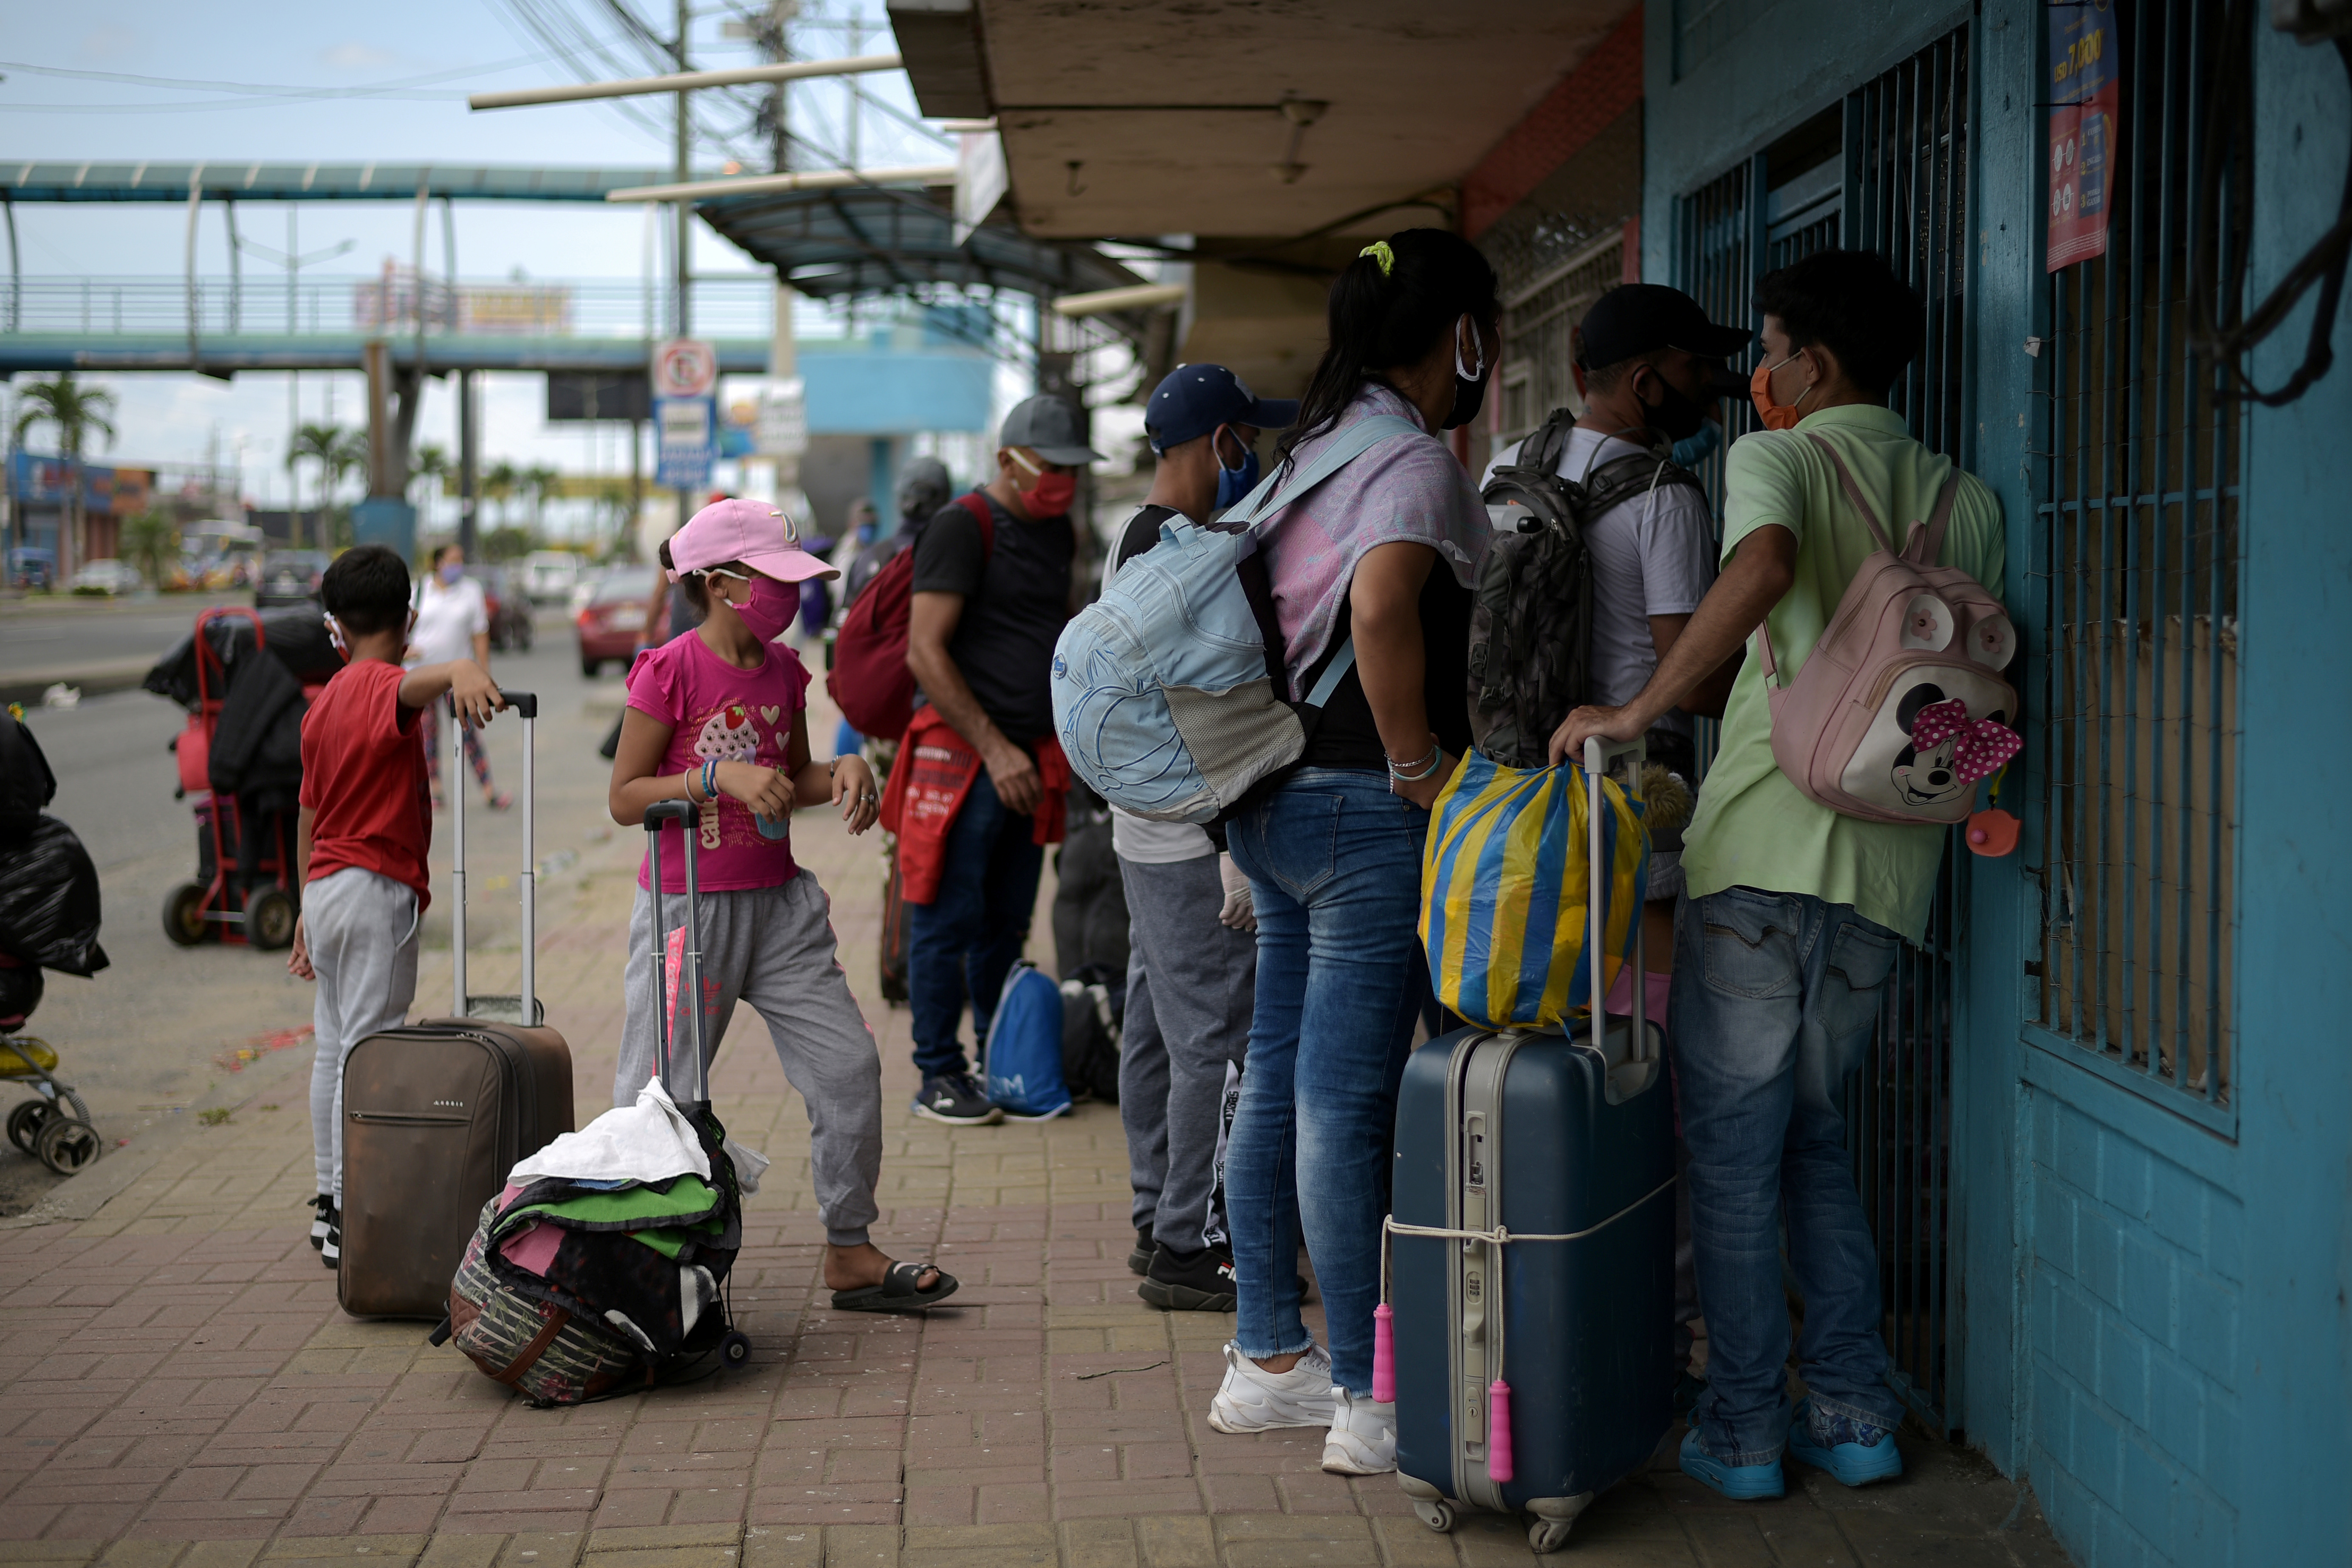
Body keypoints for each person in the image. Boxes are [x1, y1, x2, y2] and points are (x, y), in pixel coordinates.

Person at [1553, 247, 2003, 1500]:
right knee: (1815, 1143)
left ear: (1805, 359)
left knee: (1738, 1159)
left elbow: (1756, 575)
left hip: (1758, 850)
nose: (1756, 370)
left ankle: (1747, 1432)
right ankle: (1854, 1415)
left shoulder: (1780, 456)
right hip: (1890, 878)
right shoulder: (1965, 497)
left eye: (1766, 347)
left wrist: (1639, 706)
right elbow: (1976, 701)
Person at [1206, 231, 1494, 1477]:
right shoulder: (1411, 459)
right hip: (1355, 802)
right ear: (1460, 336)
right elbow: (1382, 610)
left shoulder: (1312, 448)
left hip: (1267, 802)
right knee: (1341, 1097)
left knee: (1274, 1078)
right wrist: (1421, 765)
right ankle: (1362, 1394)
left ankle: (1263, 1358)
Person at [606, 497, 956, 1311]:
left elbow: (788, 777)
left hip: (779, 910)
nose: (790, 597)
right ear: (723, 583)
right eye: (776, 580)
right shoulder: (669, 670)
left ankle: (849, 1247)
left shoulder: (783, 669)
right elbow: (625, 798)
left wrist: (842, 773)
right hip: (688, 915)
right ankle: (637, 1262)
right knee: (659, 1095)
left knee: (848, 1066)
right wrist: (710, 778)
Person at [1109, 363, 1297, 1312]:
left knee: (1156, 1026)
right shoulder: (1180, 553)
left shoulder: (1135, 537)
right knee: (1219, 1044)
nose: (1252, 452)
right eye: (1243, 437)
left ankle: (1156, 1216)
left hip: (1145, 831)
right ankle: (1192, 1242)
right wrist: (1230, 839)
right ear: (1209, 444)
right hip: (1192, 837)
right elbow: (1205, 711)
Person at [288, 544, 503, 1269]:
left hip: (323, 888)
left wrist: (301, 909)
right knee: (370, 1048)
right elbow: (419, 687)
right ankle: (355, 1208)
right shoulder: (383, 686)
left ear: (334, 627)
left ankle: (328, 1199)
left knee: (333, 1045)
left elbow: (307, 816)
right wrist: (464, 669)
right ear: (409, 616)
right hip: (375, 886)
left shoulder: (320, 709)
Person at [890, 395, 1096, 1126]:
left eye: (1073, 468)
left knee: (1006, 922)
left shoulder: (1058, 533)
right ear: (1007, 461)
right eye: (1052, 467)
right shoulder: (961, 527)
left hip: (1031, 758)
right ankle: (937, 1073)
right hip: (967, 757)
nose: (1063, 481)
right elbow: (925, 649)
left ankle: (995, 1058)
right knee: (946, 916)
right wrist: (995, 746)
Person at [409, 543, 512, 812]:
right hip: (423, 675)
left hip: (458, 680)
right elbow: (403, 628)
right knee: (427, 736)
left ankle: (489, 790)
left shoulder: (470, 591)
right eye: (453, 560)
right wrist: (406, 651)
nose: (458, 565)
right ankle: (435, 791)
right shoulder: (419, 590)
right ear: (438, 562)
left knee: (469, 732)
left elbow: (480, 635)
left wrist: (485, 674)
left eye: (461, 559)